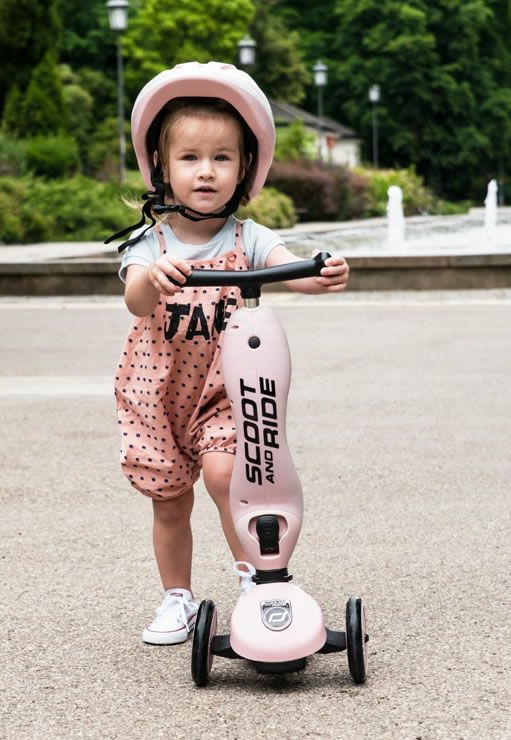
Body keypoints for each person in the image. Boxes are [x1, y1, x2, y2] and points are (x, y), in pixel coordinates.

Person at [109, 62, 349, 645]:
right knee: (169, 503)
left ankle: (256, 583)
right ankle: (178, 599)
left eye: (222, 157)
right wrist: (153, 278)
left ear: (245, 168)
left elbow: (291, 268)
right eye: (190, 158)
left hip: (226, 389)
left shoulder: (251, 238)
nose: (206, 171)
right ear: (162, 168)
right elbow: (135, 300)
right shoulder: (151, 242)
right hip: (157, 392)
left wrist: (321, 273)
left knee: (228, 477)